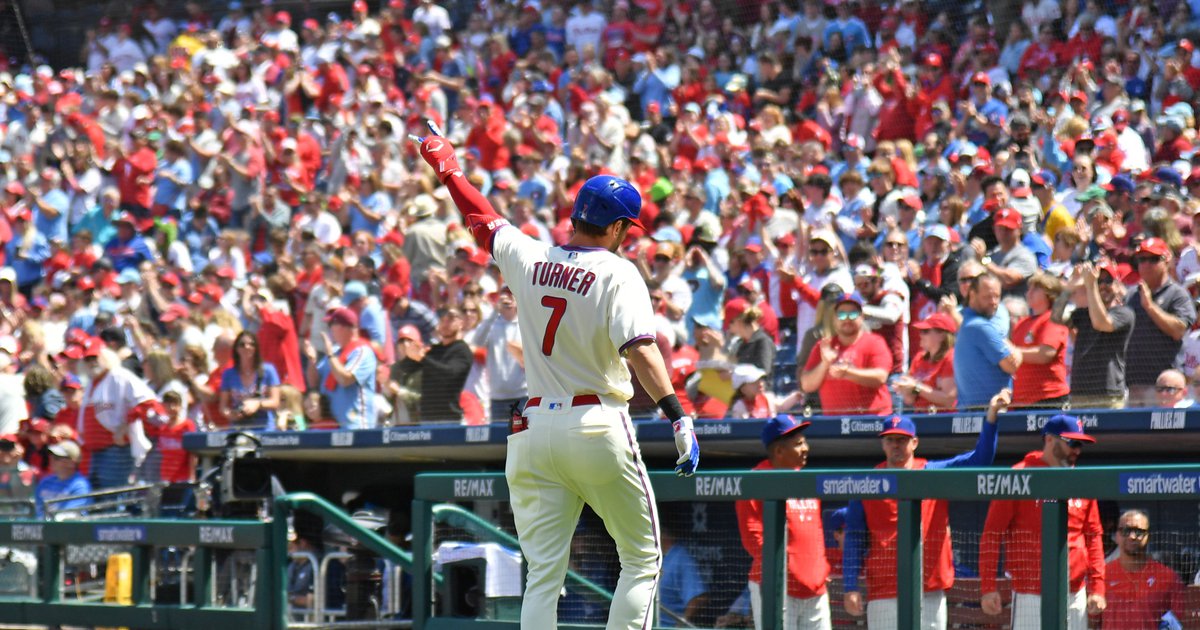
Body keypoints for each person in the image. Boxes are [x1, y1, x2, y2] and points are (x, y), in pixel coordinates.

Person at [417, 131, 699, 630]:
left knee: (543, 573)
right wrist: (678, 415)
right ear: (616, 227)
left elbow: (481, 218)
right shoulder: (618, 272)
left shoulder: (530, 256)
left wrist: (448, 170)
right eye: (625, 227)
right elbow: (641, 349)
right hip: (594, 421)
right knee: (641, 558)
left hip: (531, 430)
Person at [842, 389, 1007, 629]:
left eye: (901, 439)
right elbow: (854, 538)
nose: (895, 445)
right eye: (890, 439)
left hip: (927, 590)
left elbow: (980, 459)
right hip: (885, 591)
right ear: (882, 443)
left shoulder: (932, 472)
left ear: (914, 442)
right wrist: (850, 586)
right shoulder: (867, 481)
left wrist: (991, 417)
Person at [979, 415, 1107, 629]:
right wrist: (988, 587)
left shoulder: (1081, 479)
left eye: (1080, 445)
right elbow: (992, 535)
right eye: (1072, 443)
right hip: (1031, 594)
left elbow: (1093, 538)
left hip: (1074, 592)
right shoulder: (1019, 475)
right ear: (1049, 439)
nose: (1076, 450)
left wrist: (1097, 588)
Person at [735, 414, 832, 630]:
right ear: (779, 451)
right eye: (798, 444)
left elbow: (815, 532)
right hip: (776, 587)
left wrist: (820, 568)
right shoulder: (755, 480)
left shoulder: (806, 479)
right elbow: (753, 539)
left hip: (815, 589)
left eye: (804, 441)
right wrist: (786, 571)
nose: (806, 448)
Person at [1052, 262, 1133, 409]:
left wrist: (1091, 286)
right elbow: (1056, 317)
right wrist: (1070, 287)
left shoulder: (1125, 313)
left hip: (1108, 394)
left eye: (1108, 281)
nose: (1103, 285)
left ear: (1117, 284)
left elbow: (1101, 323)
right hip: (1080, 392)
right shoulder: (1083, 314)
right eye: (1098, 281)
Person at [1125, 238, 1196, 406]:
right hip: (1133, 383)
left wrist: (1150, 307)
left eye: (1153, 259)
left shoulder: (1177, 294)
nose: (1147, 265)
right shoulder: (1131, 295)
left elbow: (1179, 330)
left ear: (1166, 260)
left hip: (1164, 387)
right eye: (1142, 260)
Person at [800, 295, 893, 415]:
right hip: (834, 422)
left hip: (871, 420)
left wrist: (848, 373)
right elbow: (807, 385)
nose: (847, 319)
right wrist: (824, 364)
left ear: (862, 316)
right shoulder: (824, 346)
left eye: (853, 314)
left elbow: (880, 377)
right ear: (834, 318)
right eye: (842, 314)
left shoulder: (875, 342)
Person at [1101, 510, 1185, 629]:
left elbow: (1178, 624)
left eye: (1138, 531)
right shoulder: (1102, 576)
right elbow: (1092, 623)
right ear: (1117, 535)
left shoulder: (1168, 577)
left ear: (1148, 536)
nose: (1132, 536)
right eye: (1126, 531)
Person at [953, 274, 1022, 409]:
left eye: (997, 296)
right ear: (972, 295)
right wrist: (1018, 352)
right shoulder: (982, 327)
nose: (993, 302)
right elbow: (1011, 365)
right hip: (988, 413)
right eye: (987, 297)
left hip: (974, 412)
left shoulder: (968, 323)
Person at [304, 307, 377, 430]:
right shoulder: (335, 352)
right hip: (330, 426)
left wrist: (330, 354)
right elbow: (313, 382)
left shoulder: (362, 351)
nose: (329, 329)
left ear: (344, 327)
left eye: (332, 324)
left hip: (355, 426)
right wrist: (312, 361)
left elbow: (345, 379)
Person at [398, 306, 474, 422]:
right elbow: (407, 369)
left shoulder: (462, 350)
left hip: (449, 419)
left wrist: (423, 358)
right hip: (427, 418)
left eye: (450, 319)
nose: (445, 323)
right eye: (442, 320)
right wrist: (409, 353)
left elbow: (449, 374)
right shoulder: (434, 350)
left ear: (461, 323)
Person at [1010, 273, 1070, 408]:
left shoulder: (1053, 319)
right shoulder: (1022, 323)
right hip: (1021, 400)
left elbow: (1046, 353)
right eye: (1029, 289)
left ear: (1050, 294)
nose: (1029, 293)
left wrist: (1013, 352)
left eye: (1035, 289)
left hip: (1048, 397)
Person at [891, 313, 957, 413]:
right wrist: (905, 389)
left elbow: (948, 399)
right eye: (921, 331)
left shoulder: (951, 358)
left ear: (942, 335)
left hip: (944, 419)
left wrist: (916, 387)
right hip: (921, 416)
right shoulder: (919, 358)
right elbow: (909, 400)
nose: (920, 334)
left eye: (925, 331)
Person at [219, 331, 282, 430]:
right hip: (238, 427)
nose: (247, 347)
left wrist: (257, 404)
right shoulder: (228, 374)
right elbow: (223, 407)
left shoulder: (268, 371)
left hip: (263, 427)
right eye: (242, 345)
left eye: (251, 344)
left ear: (256, 348)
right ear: (236, 349)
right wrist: (232, 414)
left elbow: (275, 401)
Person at [34, 439, 91, 517]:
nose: (52, 460)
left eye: (57, 458)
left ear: (72, 463)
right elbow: (36, 512)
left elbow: (68, 518)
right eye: (51, 456)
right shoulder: (45, 483)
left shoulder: (80, 486)